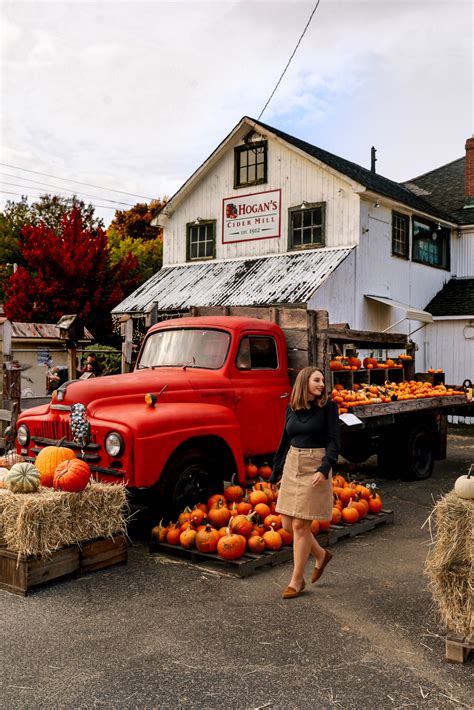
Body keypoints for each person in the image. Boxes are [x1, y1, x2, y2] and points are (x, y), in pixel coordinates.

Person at [270, 366, 340, 599]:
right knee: (287, 524)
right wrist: (275, 472)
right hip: (292, 465)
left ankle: (296, 581)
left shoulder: (328, 408)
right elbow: (283, 442)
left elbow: (334, 441)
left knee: (301, 526)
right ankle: (320, 554)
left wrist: (325, 467)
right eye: (317, 380)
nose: (322, 384)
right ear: (304, 382)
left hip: (315, 466)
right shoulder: (292, 407)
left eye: (323, 381)